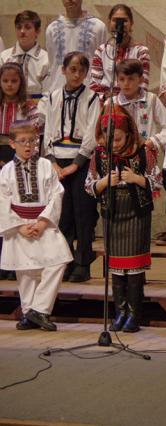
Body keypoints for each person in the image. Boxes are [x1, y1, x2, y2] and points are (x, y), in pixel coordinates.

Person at [85, 104, 161, 333]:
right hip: (113, 214)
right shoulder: (99, 154)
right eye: (109, 139)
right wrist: (104, 182)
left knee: (134, 268)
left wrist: (137, 179)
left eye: (117, 139)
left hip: (136, 214)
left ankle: (134, 315)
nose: (114, 144)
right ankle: (120, 313)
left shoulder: (142, 151)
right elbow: (89, 186)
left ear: (128, 133)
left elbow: (157, 182)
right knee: (116, 268)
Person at [0, 120, 73, 331]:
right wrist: (19, 226)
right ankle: (28, 313)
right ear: (12, 144)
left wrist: (42, 222)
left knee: (59, 260)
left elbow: (56, 194)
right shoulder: (6, 172)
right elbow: (3, 201)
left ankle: (38, 310)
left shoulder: (44, 166)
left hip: (43, 223)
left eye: (32, 140)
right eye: (22, 141)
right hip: (19, 225)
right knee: (26, 272)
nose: (28, 145)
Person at [42, 52, 100, 283]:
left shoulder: (93, 98)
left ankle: (83, 263)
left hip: (81, 162)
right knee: (62, 215)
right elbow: (47, 131)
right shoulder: (53, 97)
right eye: (72, 69)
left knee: (83, 214)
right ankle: (64, 262)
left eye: (81, 70)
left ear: (86, 73)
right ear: (63, 70)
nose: (76, 74)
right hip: (58, 162)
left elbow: (92, 133)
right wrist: (53, 162)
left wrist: (77, 164)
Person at [107, 58, 166, 248]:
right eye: (121, 79)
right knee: (120, 200)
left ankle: (140, 244)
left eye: (131, 79)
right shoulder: (111, 103)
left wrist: (152, 141)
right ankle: (118, 246)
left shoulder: (151, 100)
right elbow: (102, 131)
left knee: (142, 200)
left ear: (140, 79)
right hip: (118, 157)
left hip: (143, 158)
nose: (126, 84)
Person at [0, 63, 40, 281]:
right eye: (5, 81)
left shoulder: (28, 107)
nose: (9, 85)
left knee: (16, 211)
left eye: (14, 81)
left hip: (18, 161)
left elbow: (34, 136)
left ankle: (15, 264)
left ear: (21, 82)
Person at [45, 0, 108, 94]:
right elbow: (52, 64)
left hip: (89, 93)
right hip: (58, 93)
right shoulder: (52, 29)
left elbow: (103, 63)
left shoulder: (98, 27)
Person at [90, 4, 151, 99]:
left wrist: (119, 98)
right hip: (105, 105)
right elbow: (94, 85)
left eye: (124, 20)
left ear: (131, 23)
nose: (120, 24)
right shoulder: (101, 51)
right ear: (109, 22)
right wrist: (106, 97)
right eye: (115, 20)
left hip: (131, 104)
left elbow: (142, 85)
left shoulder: (141, 51)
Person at [0, 11, 50, 101]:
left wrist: (37, 112)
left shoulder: (46, 59)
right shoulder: (4, 57)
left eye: (27, 27)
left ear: (37, 31)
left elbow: (48, 93)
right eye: (19, 27)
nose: (22, 31)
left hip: (37, 107)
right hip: (8, 105)